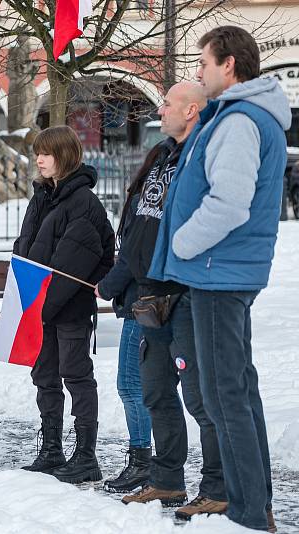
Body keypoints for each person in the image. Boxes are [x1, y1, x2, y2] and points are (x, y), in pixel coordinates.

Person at [149, 27, 289, 532]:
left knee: (224, 393)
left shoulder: (240, 121)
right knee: (238, 390)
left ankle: (248, 514)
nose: (198, 72)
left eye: (204, 62)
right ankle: (256, 504)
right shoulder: (240, 117)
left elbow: (230, 201)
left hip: (217, 271)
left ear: (229, 65)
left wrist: (183, 243)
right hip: (223, 270)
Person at [114, 82, 228, 521]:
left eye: (166, 104)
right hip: (150, 293)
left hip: (187, 293)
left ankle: (217, 487)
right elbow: (142, 224)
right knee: (156, 392)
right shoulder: (163, 155)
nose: (159, 110)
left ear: (192, 109)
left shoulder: (203, 157)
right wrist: (119, 278)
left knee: (200, 397)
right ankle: (167, 479)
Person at [13, 125, 115, 484]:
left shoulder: (82, 202)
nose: (39, 158)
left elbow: (73, 263)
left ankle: (86, 456)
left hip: (67, 308)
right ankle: (52, 449)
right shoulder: (43, 195)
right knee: (45, 377)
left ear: (65, 156)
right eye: (37, 152)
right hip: (40, 307)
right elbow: (27, 245)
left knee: (75, 374)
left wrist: (39, 307)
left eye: (47, 153)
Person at [94, 191, 152, 493]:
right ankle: (146, 459)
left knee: (131, 385)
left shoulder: (150, 199)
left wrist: (106, 287)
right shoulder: (149, 197)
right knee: (140, 386)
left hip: (141, 304)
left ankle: (142, 460)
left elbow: (131, 257)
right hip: (143, 301)